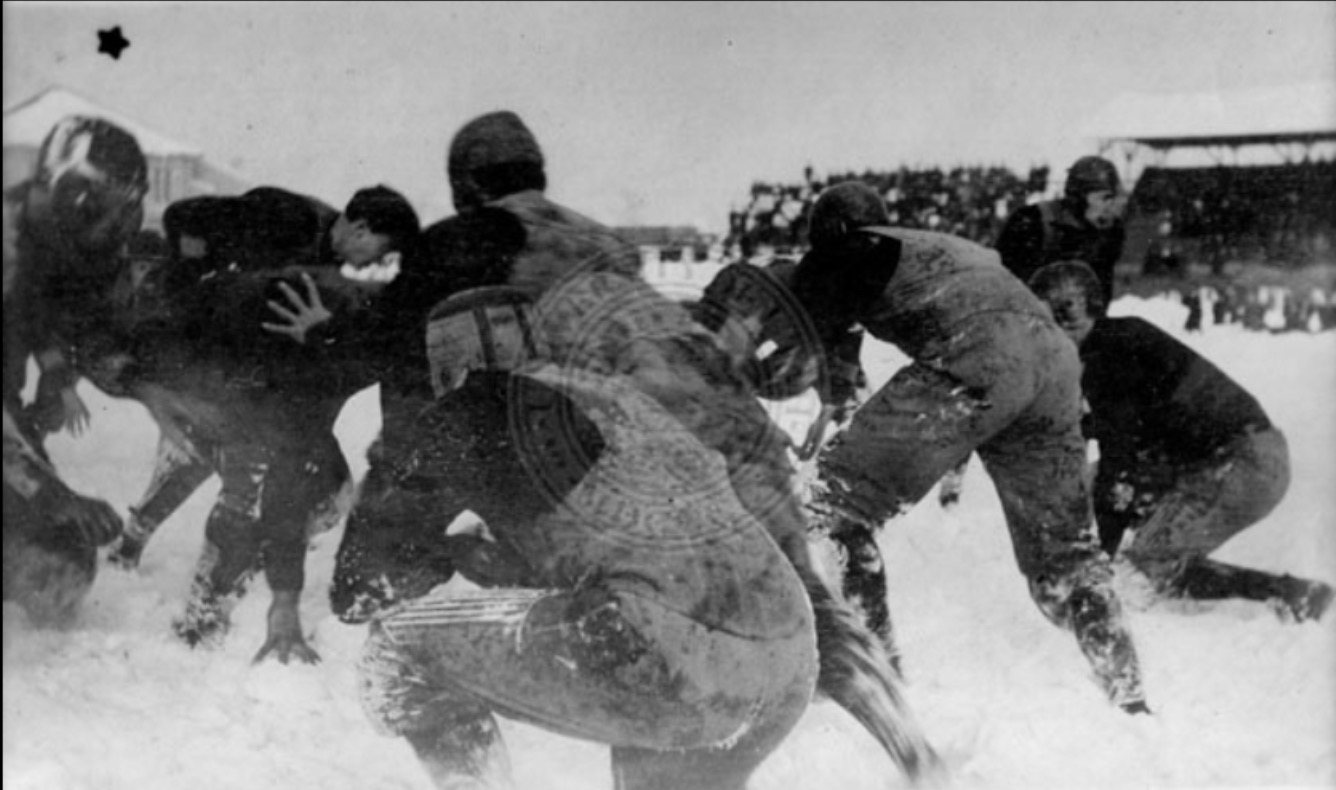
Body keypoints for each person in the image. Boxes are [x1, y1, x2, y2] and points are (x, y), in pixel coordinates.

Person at [266, 111, 940, 786]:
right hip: (707, 413)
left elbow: (416, 346)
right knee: (782, 604)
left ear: (464, 184)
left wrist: (330, 339)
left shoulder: (474, 239)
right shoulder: (595, 236)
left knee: (623, 629)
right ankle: (916, 754)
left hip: (602, 435)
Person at [788, 181, 1147, 713]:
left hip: (981, 355)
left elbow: (806, 321)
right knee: (1066, 560)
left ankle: (879, 684)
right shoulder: (937, 247)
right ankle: (1129, 695)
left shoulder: (852, 248)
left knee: (833, 508)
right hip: (1053, 362)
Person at [1029, 261, 1333, 621]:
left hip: (1245, 462)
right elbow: (1123, 436)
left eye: (1064, 315)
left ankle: (1292, 597)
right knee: (1095, 492)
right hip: (1216, 459)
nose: (1054, 331)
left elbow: (1121, 468)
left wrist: (1098, 570)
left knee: (1154, 557)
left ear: (1089, 311)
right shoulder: (1110, 343)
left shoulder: (1109, 353)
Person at [3, 115, 131, 624]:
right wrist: (51, 490)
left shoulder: (34, 246)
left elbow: (34, 317)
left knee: (63, 554)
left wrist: (57, 375)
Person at [994, 155, 1126, 307]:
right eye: (1105, 198)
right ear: (1079, 198)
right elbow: (1004, 284)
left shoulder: (1110, 232)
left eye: (1114, 199)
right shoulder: (1033, 221)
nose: (1111, 207)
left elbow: (1101, 295)